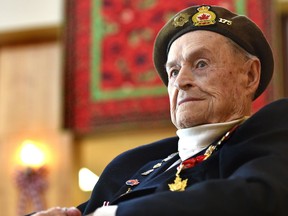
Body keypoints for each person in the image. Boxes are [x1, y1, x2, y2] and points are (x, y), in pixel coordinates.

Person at [32, 5, 288, 216]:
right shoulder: (133, 163)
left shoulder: (272, 129)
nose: (180, 81)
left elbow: (258, 197)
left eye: (200, 64)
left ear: (250, 75)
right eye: (173, 71)